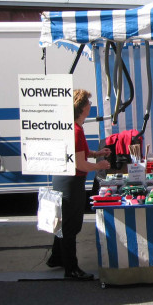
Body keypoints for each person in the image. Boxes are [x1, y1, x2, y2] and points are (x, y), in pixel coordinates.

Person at [46, 89, 111, 280]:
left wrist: (96, 154)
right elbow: (79, 163)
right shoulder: (75, 130)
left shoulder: (75, 128)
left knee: (64, 223)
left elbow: (80, 153)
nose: (91, 106)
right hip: (71, 181)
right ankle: (71, 269)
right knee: (71, 226)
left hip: (66, 180)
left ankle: (57, 258)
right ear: (81, 107)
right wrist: (99, 165)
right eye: (88, 103)